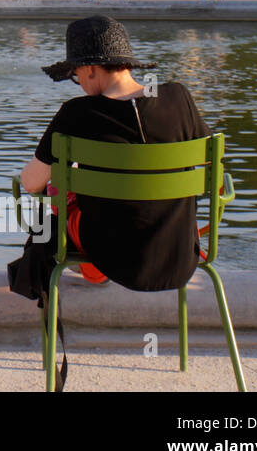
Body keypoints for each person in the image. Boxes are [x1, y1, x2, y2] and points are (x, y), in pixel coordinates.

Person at [20, 16, 210, 290]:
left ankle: (93, 274)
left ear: (91, 69)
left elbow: (31, 183)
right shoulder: (179, 97)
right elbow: (207, 160)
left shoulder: (77, 113)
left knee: (59, 202)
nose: (80, 83)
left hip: (111, 257)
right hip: (180, 255)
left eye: (76, 75)